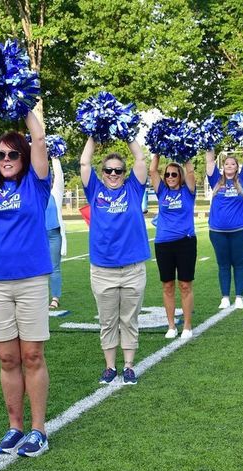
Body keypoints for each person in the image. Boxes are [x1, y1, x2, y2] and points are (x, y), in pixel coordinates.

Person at [0, 110, 52, 457]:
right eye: (0, 154)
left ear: (23, 155)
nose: (5, 159)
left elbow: (40, 138)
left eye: (12, 153)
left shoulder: (37, 182)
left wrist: (21, 106)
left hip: (31, 280)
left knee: (31, 355)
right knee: (6, 358)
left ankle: (39, 430)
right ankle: (15, 426)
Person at [80, 136, 149, 385]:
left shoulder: (133, 188)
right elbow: (84, 163)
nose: (113, 174)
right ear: (103, 172)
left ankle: (129, 366)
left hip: (132, 268)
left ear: (124, 172)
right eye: (108, 170)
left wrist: (127, 135)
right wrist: (92, 136)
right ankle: (110, 367)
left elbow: (140, 159)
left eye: (118, 170)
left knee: (129, 319)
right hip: (102, 270)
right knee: (107, 321)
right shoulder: (95, 190)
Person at [149, 154, 196, 339]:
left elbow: (191, 171)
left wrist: (184, 151)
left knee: (185, 285)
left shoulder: (188, 191)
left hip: (185, 242)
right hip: (163, 244)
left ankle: (187, 326)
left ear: (180, 176)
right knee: (167, 285)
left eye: (174, 174)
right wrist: (157, 152)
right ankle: (171, 325)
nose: (169, 177)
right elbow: (152, 170)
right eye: (167, 174)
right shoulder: (162, 192)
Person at [205, 147, 243, 309]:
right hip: (218, 232)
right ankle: (225, 297)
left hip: (240, 231)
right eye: (226, 163)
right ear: (223, 166)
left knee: (239, 263)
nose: (229, 165)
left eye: (233, 163)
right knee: (223, 264)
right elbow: (209, 161)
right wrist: (209, 142)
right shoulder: (216, 181)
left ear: (237, 167)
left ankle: (239, 297)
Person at [45, 156, 67, 310]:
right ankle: (38, 296)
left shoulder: (56, 193)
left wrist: (55, 156)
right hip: (36, 236)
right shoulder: (33, 192)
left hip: (53, 235)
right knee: (37, 268)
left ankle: (55, 297)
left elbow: (59, 175)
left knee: (54, 267)